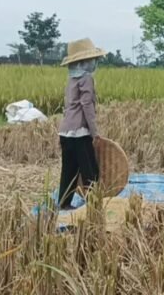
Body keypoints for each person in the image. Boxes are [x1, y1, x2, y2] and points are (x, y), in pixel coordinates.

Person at [57, 38, 107, 210]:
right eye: (92, 59)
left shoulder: (71, 80)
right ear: (84, 62)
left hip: (65, 132)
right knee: (90, 171)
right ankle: (94, 206)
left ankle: (64, 203)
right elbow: (87, 105)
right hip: (80, 132)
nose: (94, 63)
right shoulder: (86, 79)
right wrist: (94, 132)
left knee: (69, 171)